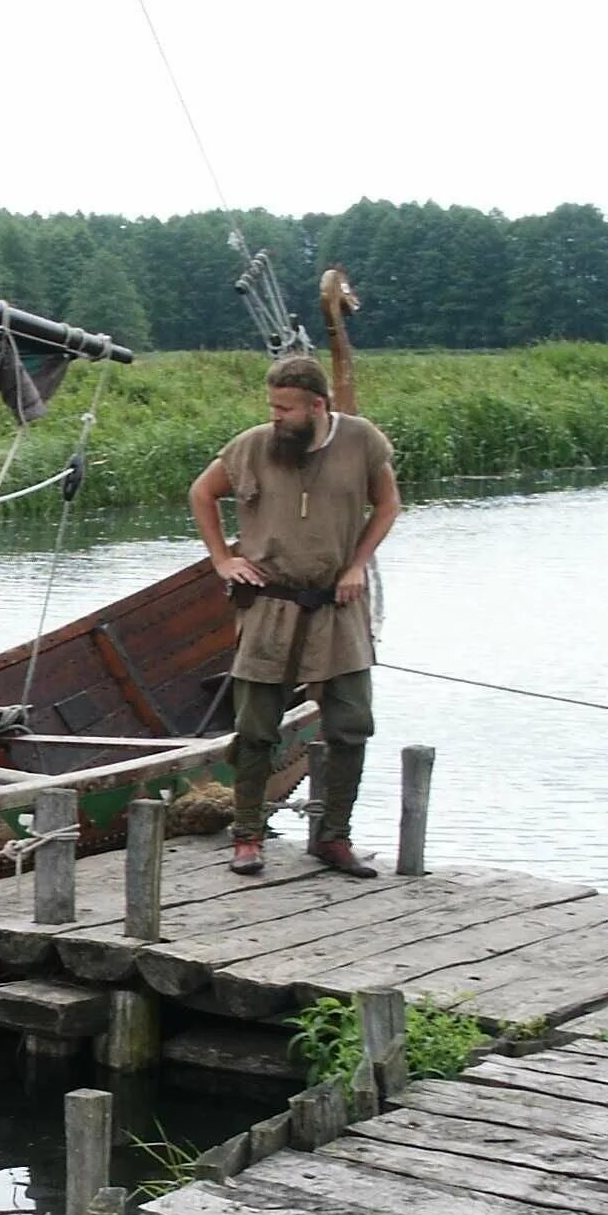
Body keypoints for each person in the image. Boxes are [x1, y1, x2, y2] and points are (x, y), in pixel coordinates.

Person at [188, 354, 400, 877]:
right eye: (272, 406)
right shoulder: (253, 446)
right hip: (270, 607)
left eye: (285, 408)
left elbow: (389, 505)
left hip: (339, 606)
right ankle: (247, 837)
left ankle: (333, 838)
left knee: (351, 724)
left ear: (317, 406)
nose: (275, 416)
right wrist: (223, 559)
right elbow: (202, 492)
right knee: (256, 729)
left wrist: (356, 566)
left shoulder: (362, 441)